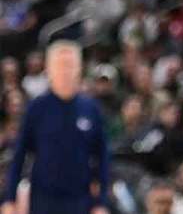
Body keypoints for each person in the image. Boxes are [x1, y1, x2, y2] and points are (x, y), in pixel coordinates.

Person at [2, 40, 110, 214]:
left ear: (79, 68)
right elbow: (19, 155)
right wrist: (9, 199)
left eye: (70, 65)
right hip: (43, 199)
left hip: (80, 199)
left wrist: (102, 203)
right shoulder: (36, 108)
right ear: (49, 69)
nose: (65, 71)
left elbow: (103, 157)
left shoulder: (91, 109)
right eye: (60, 65)